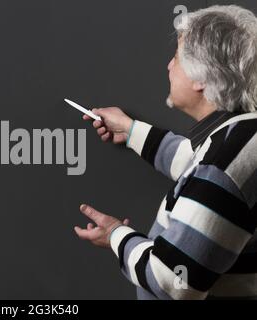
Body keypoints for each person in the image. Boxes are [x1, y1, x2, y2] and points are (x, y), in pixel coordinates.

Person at [74, 5, 257, 300]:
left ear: (201, 78)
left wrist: (116, 236)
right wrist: (130, 130)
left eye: (176, 58)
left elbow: (173, 281)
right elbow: (199, 172)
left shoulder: (223, 167)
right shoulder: (242, 139)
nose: (168, 66)